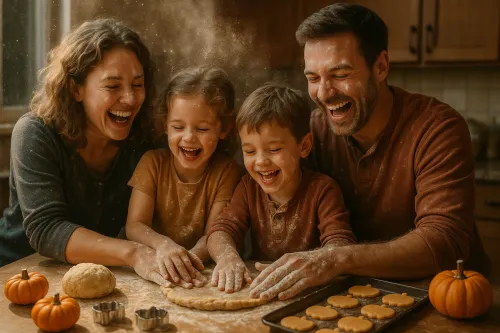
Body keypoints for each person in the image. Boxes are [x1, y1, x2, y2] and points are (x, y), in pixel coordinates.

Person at [249, 3, 490, 301]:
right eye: (313, 78)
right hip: (356, 299)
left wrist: (336, 259)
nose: (323, 93)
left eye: (340, 74)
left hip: (445, 303)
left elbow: (445, 242)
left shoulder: (437, 128)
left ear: (381, 66)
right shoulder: (310, 135)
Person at [0, 18, 169, 285]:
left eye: (137, 84)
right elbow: (47, 230)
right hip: (20, 276)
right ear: (75, 89)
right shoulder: (34, 132)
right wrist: (135, 254)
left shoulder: (145, 139)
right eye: (113, 86)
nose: (130, 98)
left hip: (104, 276)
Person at [206, 82, 355, 294]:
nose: (260, 162)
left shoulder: (323, 191)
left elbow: (340, 246)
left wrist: (314, 264)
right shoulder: (248, 188)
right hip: (260, 291)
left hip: (310, 294)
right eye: (249, 151)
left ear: (303, 146)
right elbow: (220, 230)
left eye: (274, 149)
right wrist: (227, 258)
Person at [125, 66, 242, 288]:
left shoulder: (227, 172)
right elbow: (135, 225)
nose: (188, 138)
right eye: (178, 126)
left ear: (224, 128)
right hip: (154, 267)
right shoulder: (152, 163)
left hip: (197, 271)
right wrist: (164, 246)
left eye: (203, 129)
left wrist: (186, 262)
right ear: (165, 125)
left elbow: (214, 234)